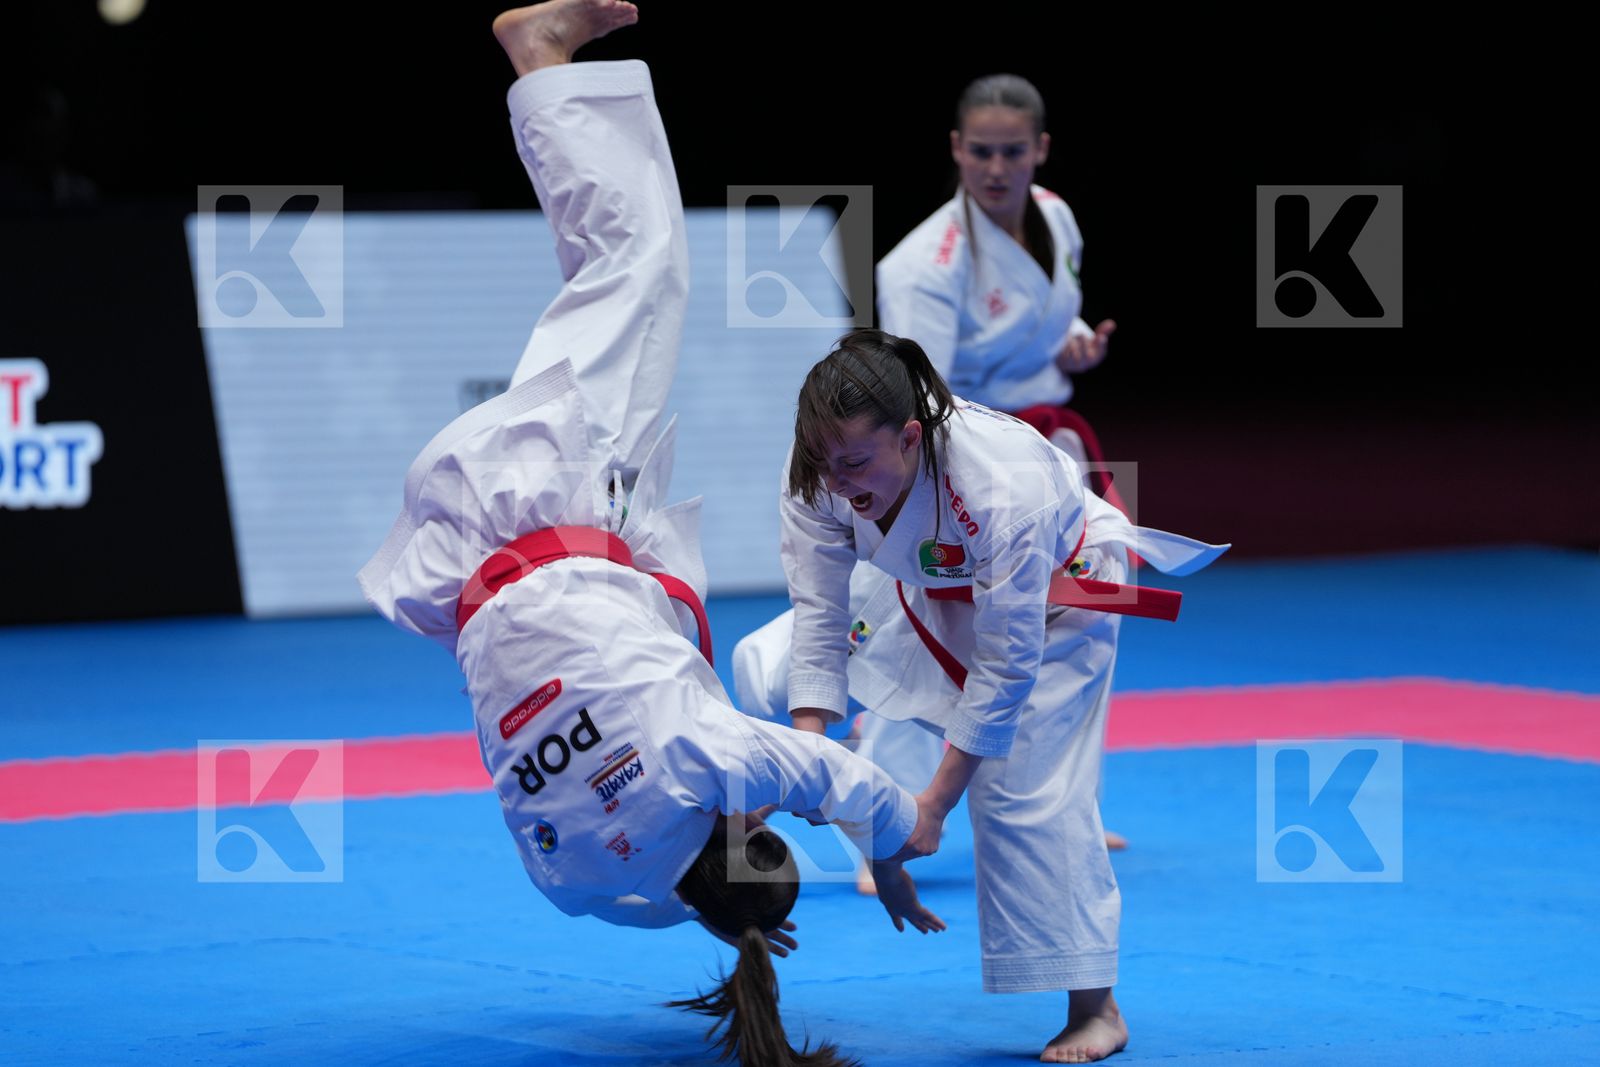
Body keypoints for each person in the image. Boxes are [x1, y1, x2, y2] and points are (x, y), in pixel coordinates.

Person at [356, 6, 939, 1065]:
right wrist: (734, 917)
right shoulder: (574, 882)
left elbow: (837, 777)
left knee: (641, 263)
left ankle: (538, 59)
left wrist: (902, 836)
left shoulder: (705, 758)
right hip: (483, 570)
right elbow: (648, 897)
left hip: (543, 502)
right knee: (625, 274)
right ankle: (544, 72)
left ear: (744, 831)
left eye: (757, 827)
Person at [733, 330, 1227, 1062]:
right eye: (821, 462)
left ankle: (1097, 1007)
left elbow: (1004, 668)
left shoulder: (1002, 484)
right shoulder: (820, 466)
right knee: (769, 666)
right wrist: (807, 759)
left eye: (855, 465)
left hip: (1059, 603)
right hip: (926, 589)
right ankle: (867, 744)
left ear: (910, 436)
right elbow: (820, 615)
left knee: (1020, 792)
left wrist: (935, 805)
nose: (834, 482)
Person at [855, 72, 1132, 870]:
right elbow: (920, 395)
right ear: (956, 149)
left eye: (1013, 152)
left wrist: (1070, 346)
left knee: (1085, 622)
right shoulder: (923, 264)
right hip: (962, 465)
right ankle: (883, 828)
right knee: (923, 635)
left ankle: (1066, 806)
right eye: (981, 152)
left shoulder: (1055, 216)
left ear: (1040, 149)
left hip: (1051, 456)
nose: (997, 168)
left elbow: (1043, 320)